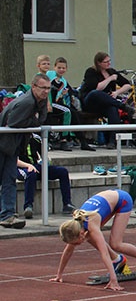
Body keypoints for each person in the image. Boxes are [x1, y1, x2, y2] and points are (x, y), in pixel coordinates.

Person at [54, 189, 136, 291]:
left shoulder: (91, 225)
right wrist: (59, 274)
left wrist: (113, 280)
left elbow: (104, 254)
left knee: (116, 244)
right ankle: (117, 260)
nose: (77, 245)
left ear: (80, 234)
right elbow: (68, 251)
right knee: (89, 237)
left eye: (77, 243)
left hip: (122, 200)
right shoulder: (75, 226)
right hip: (108, 201)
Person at [0, 74, 51, 228]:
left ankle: (7, 215)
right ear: (33, 87)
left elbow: (41, 119)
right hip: (4, 145)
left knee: (9, 179)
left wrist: (36, 118)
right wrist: (34, 120)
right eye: (43, 88)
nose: (46, 91)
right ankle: (7, 214)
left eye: (48, 88)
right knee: (7, 179)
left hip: (11, 147)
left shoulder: (39, 101)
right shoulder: (27, 102)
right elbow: (14, 122)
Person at [80, 52, 133, 146]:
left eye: (109, 61)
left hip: (106, 103)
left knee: (112, 108)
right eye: (106, 62)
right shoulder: (91, 72)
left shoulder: (111, 71)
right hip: (91, 102)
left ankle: (112, 140)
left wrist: (117, 93)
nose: (109, 63)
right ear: (99, 63)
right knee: (95, 93)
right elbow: (97, 88)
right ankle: (121, 106)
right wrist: (110, 79)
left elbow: (128, 85)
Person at [18, 135, 74, 217]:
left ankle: (67, 204)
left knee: (63, 171)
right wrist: (28, 166)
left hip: (36, 166)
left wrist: (45, 162)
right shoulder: (16, 138)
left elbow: (44, 156)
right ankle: (28, 206)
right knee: (31, 173)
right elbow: (13, 160)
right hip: (20, 168)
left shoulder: (36, 138)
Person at [49, 56, 93, 151]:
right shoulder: (50, 74)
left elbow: (63, 95)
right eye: (59, 68)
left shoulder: (64, 81)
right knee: (67, 111)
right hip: (50, 102)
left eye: (63, 68)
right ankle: (63, 140)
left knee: (75, 113)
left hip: (57, 102)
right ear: (54, 67)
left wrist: (66, 95)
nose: (61, 70)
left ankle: (82, 141)